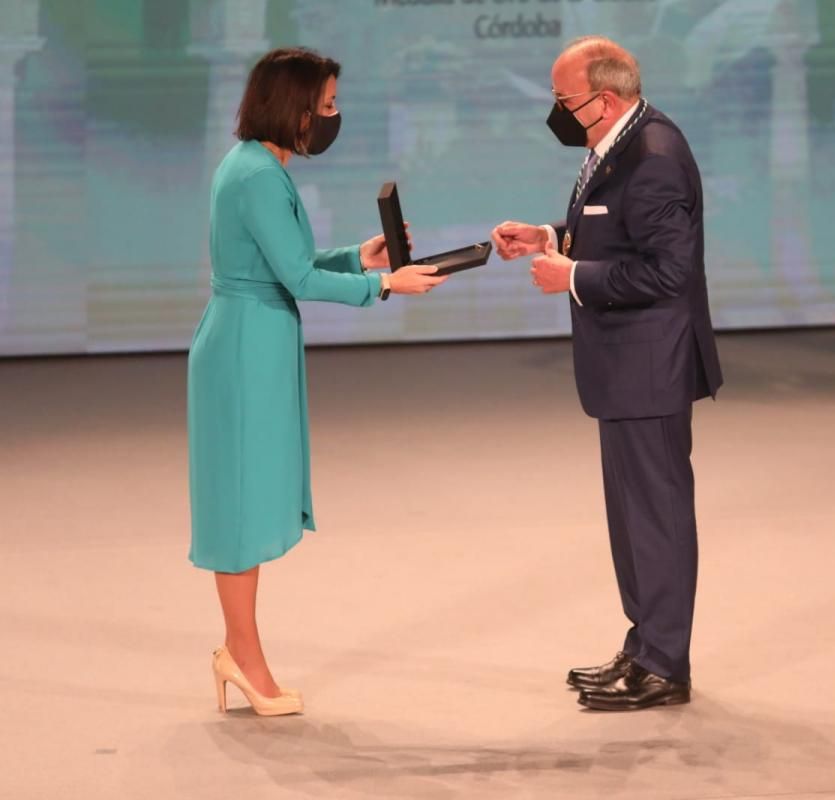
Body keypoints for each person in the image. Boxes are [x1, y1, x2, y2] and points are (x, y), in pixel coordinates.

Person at [188, 47, 445, 716]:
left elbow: (289, 262)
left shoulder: (260, 167)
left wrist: (358, 257)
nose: (332, 117)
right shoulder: (255, 175)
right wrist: (383, 282)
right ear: (294, 106)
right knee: (240, 508)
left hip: (257, 337)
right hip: (246, 345)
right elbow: (297, 279)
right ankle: (243, 659)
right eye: (326, 105)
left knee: (249, 497)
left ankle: (235, 650)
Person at [492, 36, 723, 711]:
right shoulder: (620, 142)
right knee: (632, 517)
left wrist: (573, 277)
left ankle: (664, 663)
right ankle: (645, 645)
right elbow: (613, 231)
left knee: (656, 516)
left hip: (649, 365)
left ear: (607, 99)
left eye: (565, 101)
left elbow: (668, 271)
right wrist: (548, 238)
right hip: (625, 367)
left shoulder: (653, 157)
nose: (558, 113)